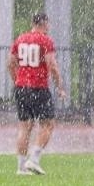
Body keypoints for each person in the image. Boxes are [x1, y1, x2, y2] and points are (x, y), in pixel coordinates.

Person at [8, 11, 67, 175]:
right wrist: (59, 86)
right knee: (48, 124)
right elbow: (52, 65)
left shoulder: (20, 39)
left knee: (24, 127)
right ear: (44, 24)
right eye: (48, 24)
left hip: (21, 88)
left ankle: (20, 167)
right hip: (38, 87)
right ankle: (33, 160)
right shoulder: (45, 40)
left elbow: (10, 63)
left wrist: (18, 80)